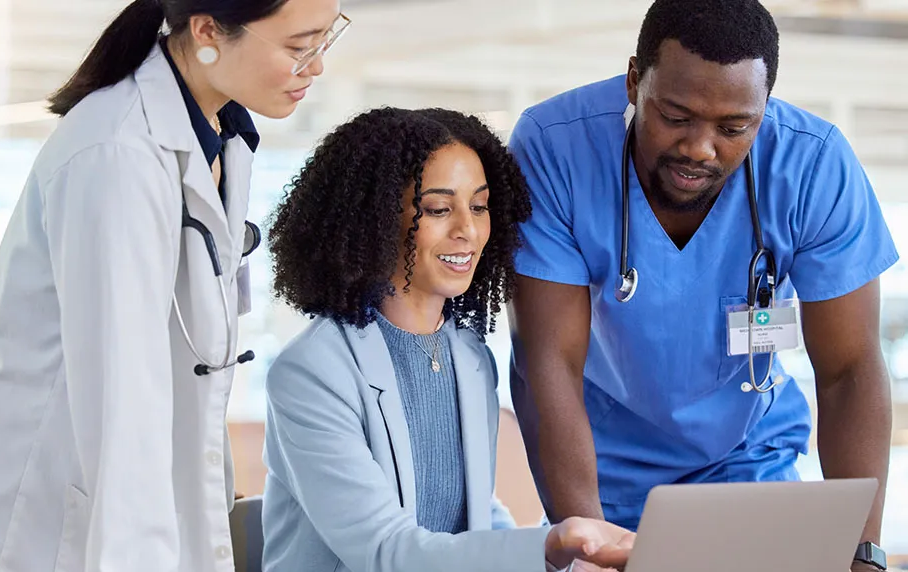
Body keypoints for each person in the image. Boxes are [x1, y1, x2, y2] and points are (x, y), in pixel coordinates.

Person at [506, 1, 895, 571]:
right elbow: (547, 363)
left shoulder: (812, 166)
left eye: (734, 127)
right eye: (676, 115)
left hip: (748, 464)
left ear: (765, 110)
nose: (700, 148)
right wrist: (588, 544)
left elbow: (850, 370)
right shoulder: (555, 147)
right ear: (635, 80)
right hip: (601, 474)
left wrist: (864, 554)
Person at [0, 0, 348, 570]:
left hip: (144, 501)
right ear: (206, 32)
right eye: (300, 47)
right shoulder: (116, 152)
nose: (317, 67)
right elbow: (122, 402)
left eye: (326, 40)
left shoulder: (220, 133)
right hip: (52, 516)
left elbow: (193, 362)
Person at [261, 107, 636, 572]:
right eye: (439, 209)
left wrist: (570, 557)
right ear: (375, 221)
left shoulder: (470, 357)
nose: (468, 230)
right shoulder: (312, 372)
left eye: (479, 206)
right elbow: (386, 552)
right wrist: (548, 546)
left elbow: (472, 525)